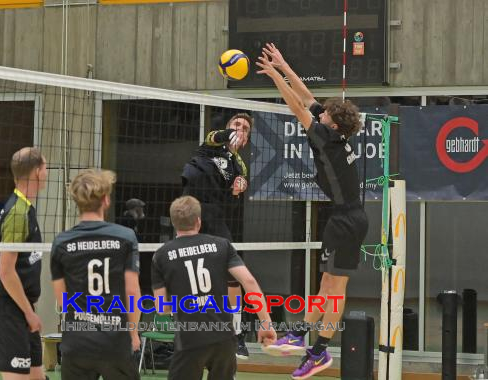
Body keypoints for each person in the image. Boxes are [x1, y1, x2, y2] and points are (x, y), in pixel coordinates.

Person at [257, 43, 369, 379]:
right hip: (346, 217)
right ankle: (304, 338)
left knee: (336, 288)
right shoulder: (335, 134)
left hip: (346, 220)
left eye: (325, 116)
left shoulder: (325, 139)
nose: (320, 114)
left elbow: (296, 106)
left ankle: (315, 348)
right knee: (326, 284)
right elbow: (307, 99)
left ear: (332, 126)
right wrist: (284, 65)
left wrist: (274, 75)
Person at [151, 195, 277, 380]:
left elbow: (162, 308)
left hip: (189, 340)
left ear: (173, 223)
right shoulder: (221, 245)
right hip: (223, 337)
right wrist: (266, 323)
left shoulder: (161, 255)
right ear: (199, 221)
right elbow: (249, 282)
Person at [50, 169, 141, 380]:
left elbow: (62, 300)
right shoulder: (126, 237)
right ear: (106, 200)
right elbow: (132, 291)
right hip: (115, 341)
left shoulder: (62, 242)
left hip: (77, 343)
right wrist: (133, 333)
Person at [181, 112, 252, 358]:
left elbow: (237, 186)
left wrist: (239, 187)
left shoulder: (239, 163)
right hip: (190, 213)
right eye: (236, 125)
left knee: (233, 273)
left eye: (244, 128)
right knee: (188, 273)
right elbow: (214, 136)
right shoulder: (210, 145)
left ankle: (237, 333)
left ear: (246, 140)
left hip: (215, 216)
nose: (239, 129)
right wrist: (227, 135)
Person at [0, 147, 48, 380]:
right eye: (45, 167)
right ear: (37, 171)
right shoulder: (17, 213)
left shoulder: (25, 209)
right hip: (7, 308)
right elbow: (5, 271)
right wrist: (28, 313)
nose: (47, 172)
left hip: (21, 307)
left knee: (37, 377)